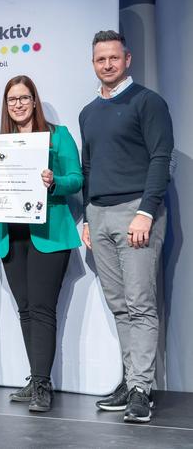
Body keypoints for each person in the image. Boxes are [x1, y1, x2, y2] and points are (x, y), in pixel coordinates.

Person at [80, 30, 173, 424]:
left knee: (140, 305)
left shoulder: (148, 102)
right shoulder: (87, 112)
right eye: (100, 59)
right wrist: (84, 215)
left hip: (137, 211)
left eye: (113, 58)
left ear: (127, 59)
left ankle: (142, 390)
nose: (107, 65)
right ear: (93, 63)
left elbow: (160, 157)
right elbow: (88, 168)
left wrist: (146, 212)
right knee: (120, 307)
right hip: (99, 216)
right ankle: (131, 380)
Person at [0, 75, 82, 412]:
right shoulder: (3, 143)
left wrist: (54, 182)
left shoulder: (58, 135)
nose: (19, 104)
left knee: (41, 309)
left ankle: (42, 386)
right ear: (6, 105)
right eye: (12, 100)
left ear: (34, 101)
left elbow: (76, 179)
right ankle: (37, 378)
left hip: (48, 235)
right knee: (26, 310)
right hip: (13, 235)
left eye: (24, 98)